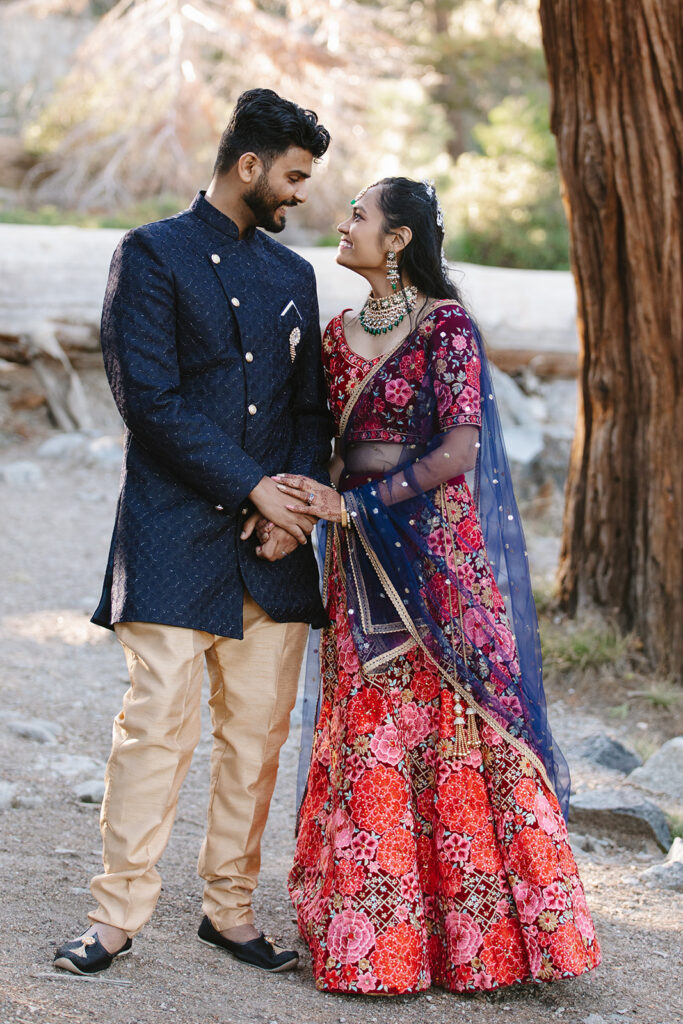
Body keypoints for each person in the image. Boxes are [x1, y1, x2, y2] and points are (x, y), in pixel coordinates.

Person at [275, 177, 601, 994]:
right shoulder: (335, 334)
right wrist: (295, 510)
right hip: (358, 562)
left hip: (436, 556)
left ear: (398, 240)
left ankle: (484, 945)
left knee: (460, 725)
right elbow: (321, 442)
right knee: (371, 726)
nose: (343, 225)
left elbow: (458, 450)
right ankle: (376, 944)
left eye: (359, 215)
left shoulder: (445, 326)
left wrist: (351, 508)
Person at [54, 88, 332, 977]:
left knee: (257, 738)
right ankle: (114, 917)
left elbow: (308, 411)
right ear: (247, 165)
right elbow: (151, 400)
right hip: (173, 534)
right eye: (291, 176)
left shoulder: (294, 276)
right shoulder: (150, 253)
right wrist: (251, 484)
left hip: (272, 552)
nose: (298, 195)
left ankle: (230, 910)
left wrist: (288, 504)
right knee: (155, 732)